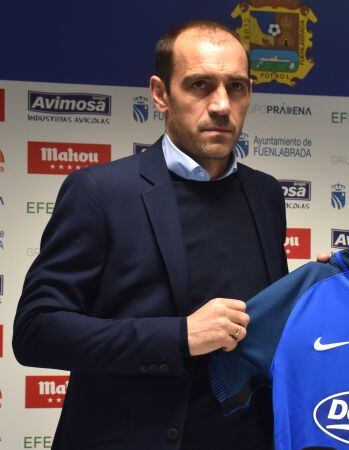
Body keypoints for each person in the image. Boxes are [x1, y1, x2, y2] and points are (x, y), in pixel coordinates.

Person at [13, 20, 287, 450]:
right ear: (160, 94)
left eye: (236, 87)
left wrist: (311, 300)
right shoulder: (100, 191)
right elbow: (37, 332)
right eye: (200, 85)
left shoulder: (266, 193)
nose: (221, 105)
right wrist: (178, 337)